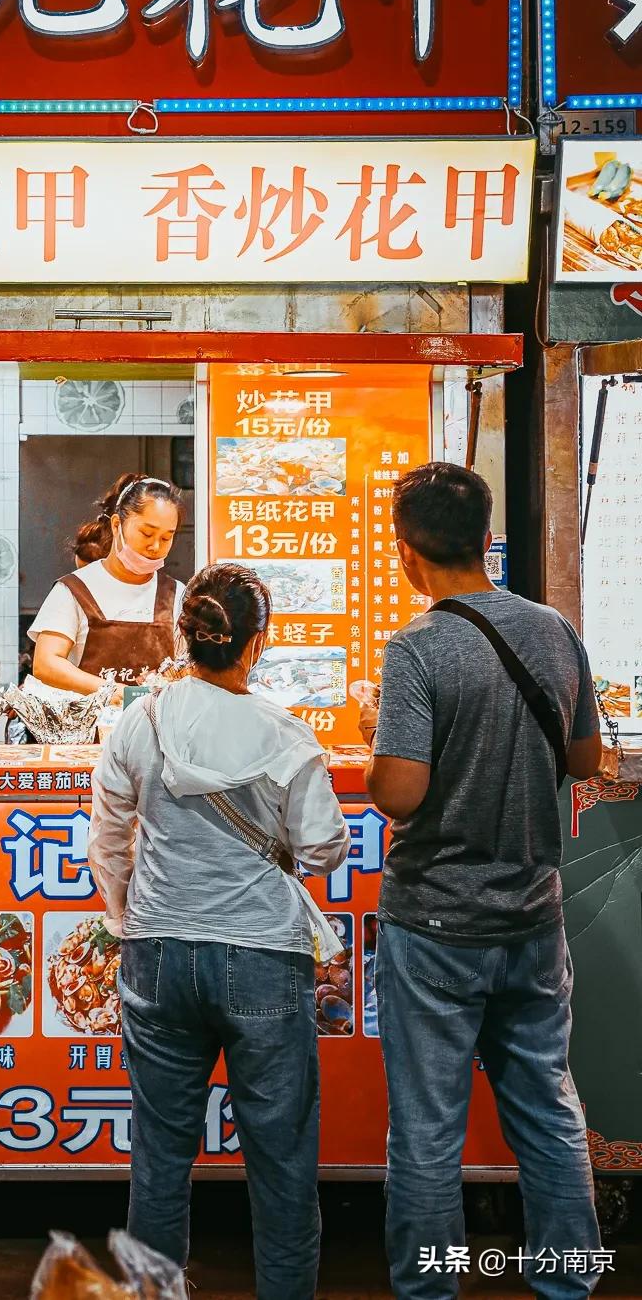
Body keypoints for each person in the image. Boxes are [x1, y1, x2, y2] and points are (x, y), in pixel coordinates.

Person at [355, 463, 604, 1300]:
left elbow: (400, 793)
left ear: (406, 552)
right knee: (550, 1113)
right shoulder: (554, 630)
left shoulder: (417, 648)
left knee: (427, 1133)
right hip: (533, 918)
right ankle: (569, 1285)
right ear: (485, 539)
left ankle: (430, 1290)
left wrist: (373, 740)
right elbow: (585, 760)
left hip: (434, 926)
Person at [88, 563, 351, 1300]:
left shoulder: (139, 723)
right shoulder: (286, 734)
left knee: (161, 1160)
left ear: (184, 634)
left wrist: (125, 917)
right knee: (283, 1163)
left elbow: (108, 841)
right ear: (255, 645)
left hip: (158, 955)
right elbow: (326, 846)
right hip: (263, 956)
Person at [28, 473, 185, 699]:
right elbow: (46, 664)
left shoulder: (176, 595)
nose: (155, 546)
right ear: (116, 525)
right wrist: (117, 693)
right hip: (88, 732)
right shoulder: (74, 589)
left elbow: (190, 667)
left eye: (167, 537)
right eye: (146, 533)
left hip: (154, 731)